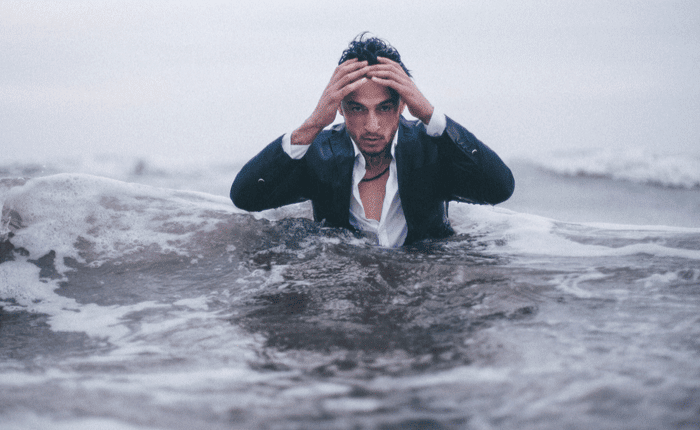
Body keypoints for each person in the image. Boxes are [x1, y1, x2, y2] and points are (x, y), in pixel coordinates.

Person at [231, 33, 514, 247]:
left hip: (423, 293)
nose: (372, 126)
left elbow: (499, 188)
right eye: (357, 108)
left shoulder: (431, 150)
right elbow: (246, 197)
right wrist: (314, 123)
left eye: (384, 107)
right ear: (339, 106)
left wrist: (428, 113)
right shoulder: (320, 154)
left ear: (402, 104)